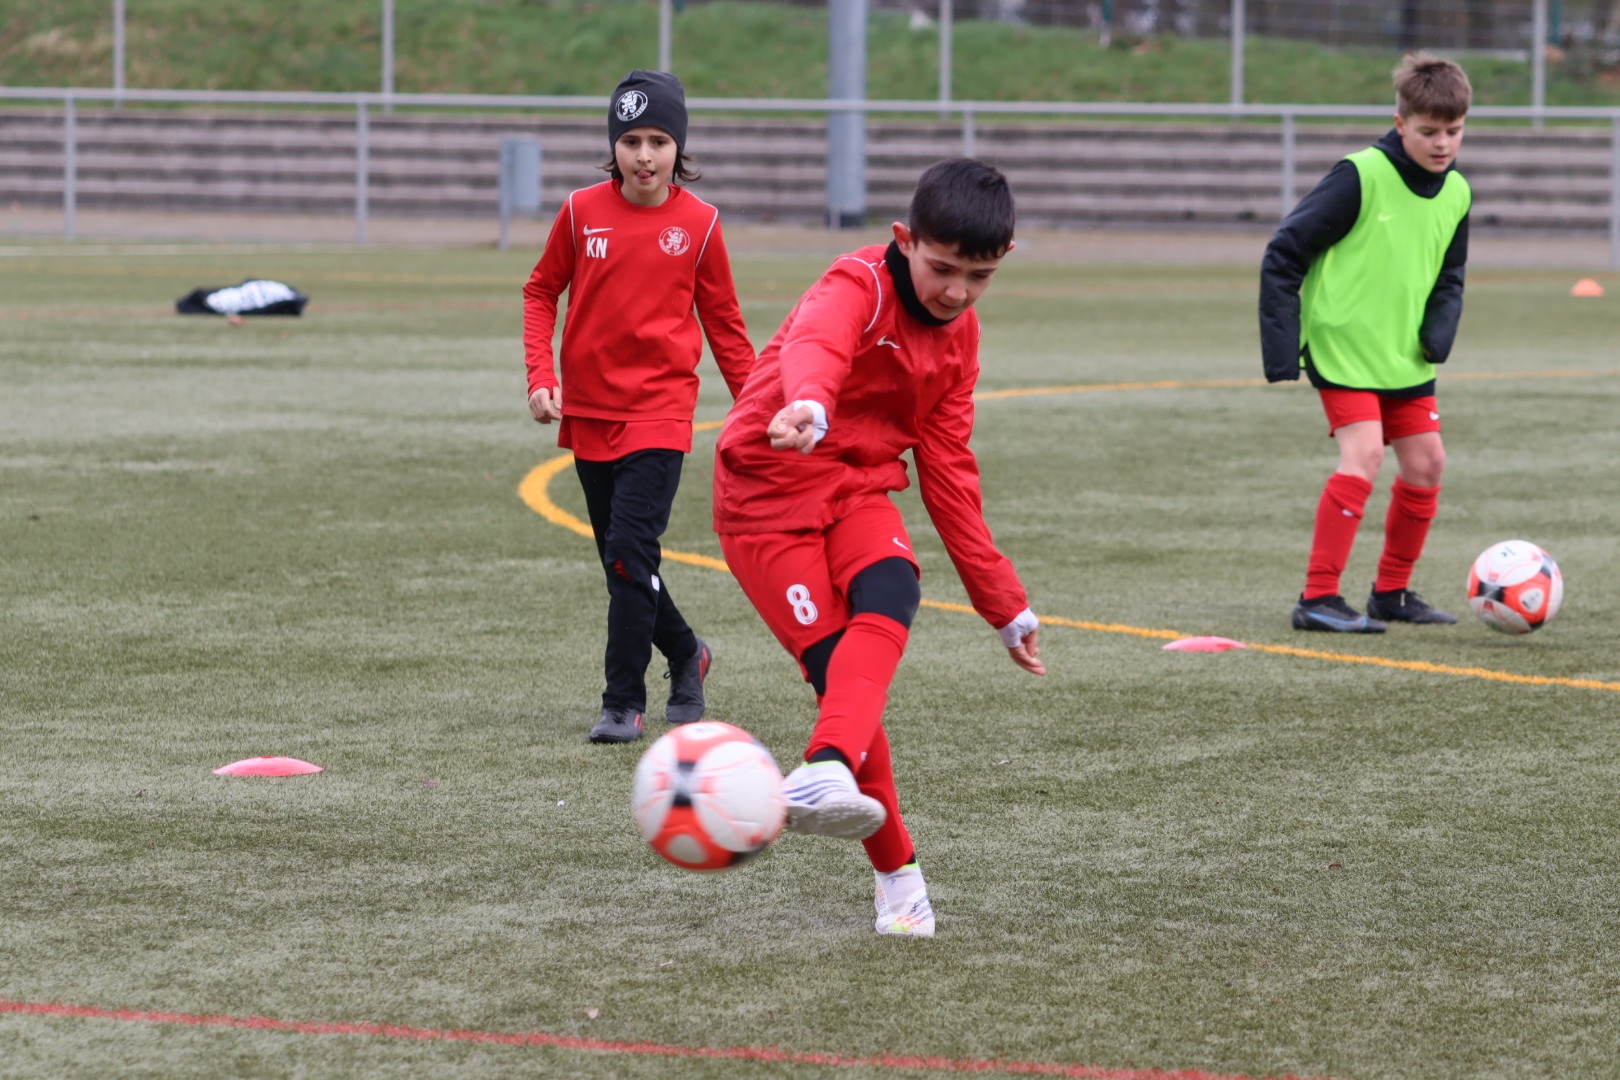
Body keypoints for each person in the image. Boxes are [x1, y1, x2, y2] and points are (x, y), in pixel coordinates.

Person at [712, 159, 1044, 937]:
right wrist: (809, 402)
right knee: (844, 682)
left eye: (980, 276)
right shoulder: (855, 283)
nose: (957, 292)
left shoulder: (961, 340)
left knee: (894, 587)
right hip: (767, 493)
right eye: (943, 269)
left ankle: (823, 767)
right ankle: (899, 878)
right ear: (904, 239)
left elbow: (950, 468)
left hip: (856, 486)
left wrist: (1003, 604)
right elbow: (819, 342)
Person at [523, 70, 755, 742]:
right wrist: (541, 375)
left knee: (629, 551)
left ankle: (622, 701)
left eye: (658, 141)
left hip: (660, 413)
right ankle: (686, 651)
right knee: (624, 564)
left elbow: (727, 329)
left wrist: (759, 410)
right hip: (589, 413)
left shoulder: (701, 225)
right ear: (614, 148)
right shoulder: (579, 212)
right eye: (631, 142)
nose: (645, 156)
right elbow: (540, 292)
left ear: (679, 147)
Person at [1259, 53, 1473, 633]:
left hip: (1403, 354)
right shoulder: (1360, 175)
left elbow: (1449, 274)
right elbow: (1285, 250)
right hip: (1344, 346)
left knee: (1427, 464)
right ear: (1400, 123)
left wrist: (1437, 333)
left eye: (1453, 131)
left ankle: (1391, 593)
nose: (1442, 143)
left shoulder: (1457, 192)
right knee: (1366, 455)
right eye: (1428, 131)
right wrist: (1282, 349)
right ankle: (1317, 598)